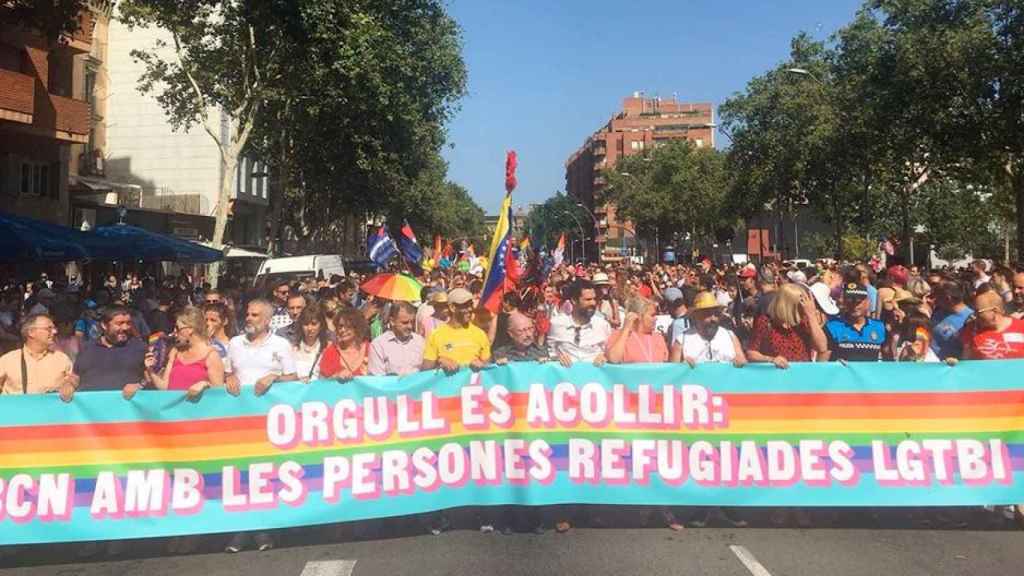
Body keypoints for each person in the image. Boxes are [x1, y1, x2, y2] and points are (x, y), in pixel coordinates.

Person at [140, 306, 224, 400]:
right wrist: (150, 370)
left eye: (177, 327)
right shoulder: (175, 352)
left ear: (190, 329)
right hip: (174, 413)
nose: (174, 332)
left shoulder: (211, 355)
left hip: (199, 412)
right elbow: (165, 387)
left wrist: (205, 384)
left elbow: (219, 394)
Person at [225, 299, 298, 396]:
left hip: (268, 406)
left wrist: (274, 377)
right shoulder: (235, 342)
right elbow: (227, 372)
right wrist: (230, 377)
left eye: (254, 315)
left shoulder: (281, 344)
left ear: (267, 320)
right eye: (247, 314)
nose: (248, 318)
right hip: (240, 404)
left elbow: (292, 376)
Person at [747, 283, 829, 369]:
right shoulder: (765, 322)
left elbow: (822, 348)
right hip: (777, 377)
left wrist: (811, 316)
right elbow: (751, 353)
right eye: (800, 305)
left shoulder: (803, 321)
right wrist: (771, 360)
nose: (804, 308)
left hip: (802, 375)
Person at [0, 313, 76, 400]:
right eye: (49, 328)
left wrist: (70, 385)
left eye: (54, 328)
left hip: (51, 412)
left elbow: (74, 378)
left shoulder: (62, 359)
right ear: (31, 332)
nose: (55, 332)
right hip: (17, 412)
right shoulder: (8, 360)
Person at [74, 305, 147, 395]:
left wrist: (139, 385)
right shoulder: (87, 348)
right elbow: (75, 376)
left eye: (128, 323)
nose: (125, 328)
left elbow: (151, 378)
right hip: (90, 407)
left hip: (125, 407)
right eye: (120, 323)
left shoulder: (140, 348)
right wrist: (68, 384)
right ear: (104, 325)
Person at [421, 288, 491, 374]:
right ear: (452, 307)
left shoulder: (480, 334)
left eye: (471, 304)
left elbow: (489, 368)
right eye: (465, 305)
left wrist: (482, 363)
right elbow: (425, 372)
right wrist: (440, 361)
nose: (470, 309)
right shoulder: (436, 335)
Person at [671, 292, 747, 367]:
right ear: (695, 316)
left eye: (716, 314)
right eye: (707, 314)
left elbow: (744, 365)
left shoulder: (730, 336)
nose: (713, 319)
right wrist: (681, 367)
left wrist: (739, 361)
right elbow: (672, 374)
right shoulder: (681, 341)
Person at [547, 279, 611, 368]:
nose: (593, 303)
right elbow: (549, 352)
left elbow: (609, 352)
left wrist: (605, 357)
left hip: (594, 379)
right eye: (588, 299)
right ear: (574, 300)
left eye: (594, 299)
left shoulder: (602, 325)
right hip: (565, 379)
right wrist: (557, 358)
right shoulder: (556, 324)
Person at [824, 281, 887, 362]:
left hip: (869, 374)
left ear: (867, 302)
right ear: (844, 302)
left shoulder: (879, 327)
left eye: (858, 301)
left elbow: (888, 358)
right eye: (850, 300)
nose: (854, 305)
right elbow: (824, 359)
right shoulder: (832, 327)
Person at [961, 288, 1024, 360]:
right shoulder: (971, 329)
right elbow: (966, 362)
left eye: (978, 312)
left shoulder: (1021, 327)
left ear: (995, 311)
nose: (975, 316)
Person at [606, 297, 669, 364]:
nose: (656, 318)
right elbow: (613, 359)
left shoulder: (658, 338)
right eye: (652, 315)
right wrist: (626, 329)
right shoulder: (619, 335)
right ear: (639, 316)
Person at [368, 302, 425, 376]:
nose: (410, 326)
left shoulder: (420, 341)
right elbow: (377, 378)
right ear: (392, 321)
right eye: (405, 323)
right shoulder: (378, 345)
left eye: (412, 322)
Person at [320, 307, 371, 380]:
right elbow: (322, 382)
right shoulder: (332, 351)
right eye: (340, 326)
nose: (343, 330)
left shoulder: (370, 349)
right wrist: (336, 376)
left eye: (348, 326)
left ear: (356, 327)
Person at [931, 282, 973, 360]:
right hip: (933, 364)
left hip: (953, 367)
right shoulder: (937, 313)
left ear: (948, 298)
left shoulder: (971, 319)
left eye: (938, 298)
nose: (935, 301)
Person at [291, 303, 331, 381]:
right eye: (306, 324)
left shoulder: (328, 347)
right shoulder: (292, 348)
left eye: (314, 324)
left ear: (321, 325)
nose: (309, 328)